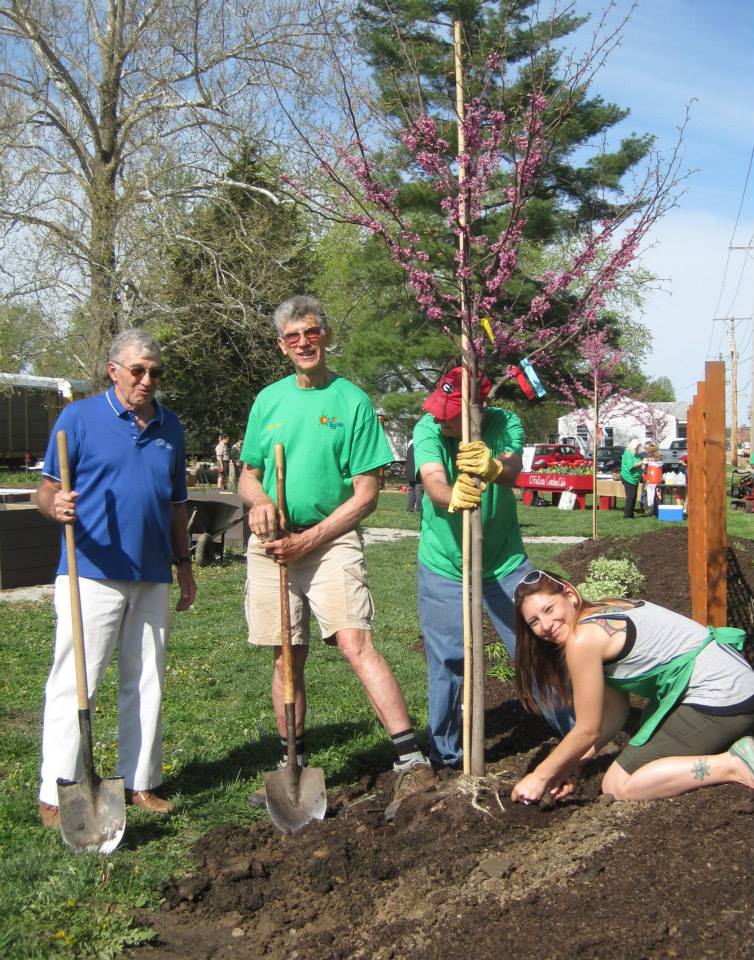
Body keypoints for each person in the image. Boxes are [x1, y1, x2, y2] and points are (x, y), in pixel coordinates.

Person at [239, 294, 436, 818]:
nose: (302, 342)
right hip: (273, 543)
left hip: (330, 539)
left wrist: (312, 538)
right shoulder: (269, 401)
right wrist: (258, 502)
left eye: (310, 332)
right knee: (287, 653)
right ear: (282, 346)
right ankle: (292, 764)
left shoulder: (350, 401)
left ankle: (409, 757)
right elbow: (249, 472)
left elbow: (366, 494)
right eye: (291, 336)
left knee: (354, 642)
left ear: (324, 336)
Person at [36, 329, 197, 828]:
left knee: (147, 678)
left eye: (155, 372)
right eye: (138, 370)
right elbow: (46, 490)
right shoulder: (78, 418)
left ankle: (140, 781)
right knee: (76, 681)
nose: (148, 380)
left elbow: (176, 505)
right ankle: (56, 789)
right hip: (92, 571)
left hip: (152, 573)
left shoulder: (170, 427)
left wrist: (184, 564)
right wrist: (55, 505)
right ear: (114, 370)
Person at [413, 367, 571, 769]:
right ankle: (447, 756)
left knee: (533, 647)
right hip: (444, 565)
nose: (440, 418)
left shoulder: (504, 424)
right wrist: (452, 497)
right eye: (438, 409)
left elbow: (513, 466)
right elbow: (433, 482)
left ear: (475, 410)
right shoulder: (428, 429)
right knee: (448, 658)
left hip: (504, 562)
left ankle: (577, 732)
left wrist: (495, 469)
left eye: (450, 413)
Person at [511, 570, 754, 805]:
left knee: (618, 785)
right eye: (534, 621)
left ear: (570, 594)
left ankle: (733, 765)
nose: (545, 625)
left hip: (723, 700)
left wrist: (539, 776)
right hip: (740, 686)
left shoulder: (582, 639)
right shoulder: (610, 607)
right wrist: (574, 763)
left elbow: (587, 730)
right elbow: (614, 715)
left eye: (548, 609)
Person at [620, 438, 643, 518]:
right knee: (631, 496)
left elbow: (639, 464)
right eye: (636, 447)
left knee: (633, 496)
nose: (637, 449)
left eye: (638, 447)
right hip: (628, 477)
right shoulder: (628, 453)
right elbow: (631, 466)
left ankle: (631, 513)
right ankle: (627, 515)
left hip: (635, 478)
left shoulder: (636, 454)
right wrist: (642, 462)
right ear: (633, 446)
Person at [405, 437, 424, 513]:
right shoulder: (419, 447)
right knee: (419, 490)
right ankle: (419, 509)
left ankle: (410, 509)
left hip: (410, 472)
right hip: (417, 472)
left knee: (411, 490)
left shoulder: (409, 446)